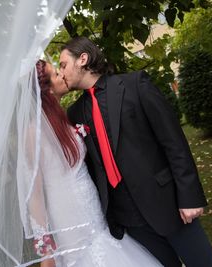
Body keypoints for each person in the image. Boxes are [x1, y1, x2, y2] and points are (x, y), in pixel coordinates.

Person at [58, 37, 212, 267]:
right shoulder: (75, 114)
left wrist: (190, 197)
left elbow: (173, 142)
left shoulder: (135, 84)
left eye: (63, 64)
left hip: (169, 205)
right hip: (128, 220)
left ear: (82, 59)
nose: (61, 72)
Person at [32, 59, 162, 267]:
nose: (62, 75)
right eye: (56, 74)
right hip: (69, 214)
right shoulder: (33, 132)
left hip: (91, 205)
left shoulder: (63, 117)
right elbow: (34, 194)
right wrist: (45, 248)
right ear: (46, 91)